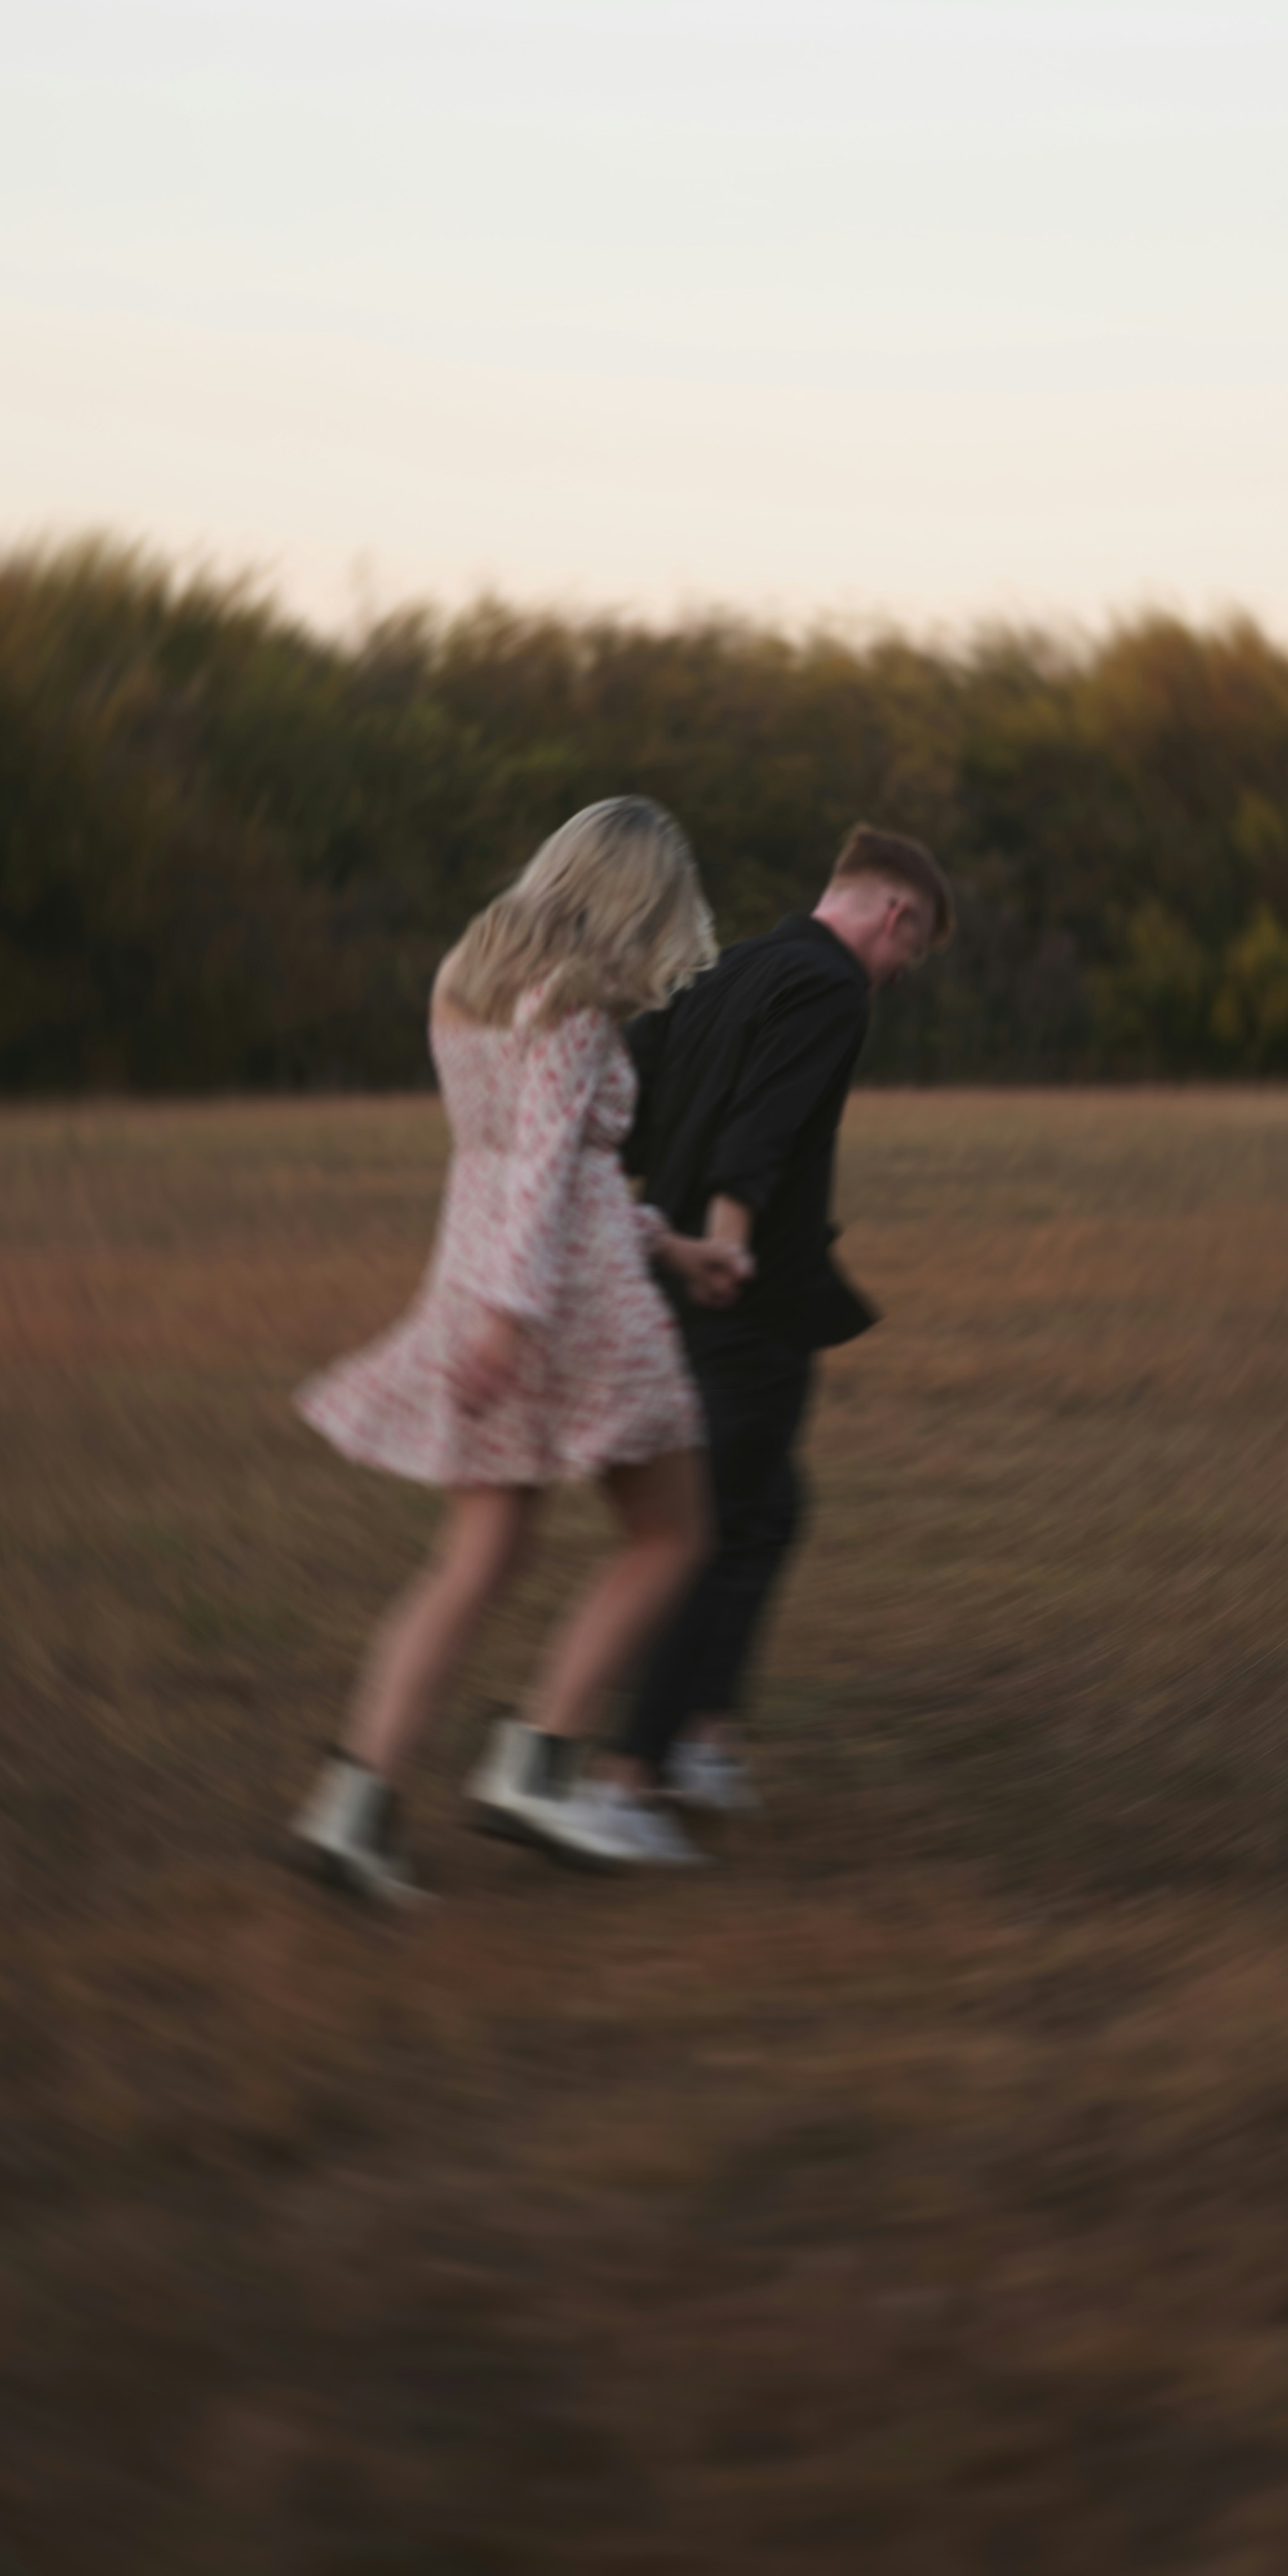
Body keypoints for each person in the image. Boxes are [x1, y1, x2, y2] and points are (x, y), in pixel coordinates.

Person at [288, 796, 754, 1906]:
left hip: (484, 1277)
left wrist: (672, 1248)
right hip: (561, 1304)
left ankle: (354, 1810)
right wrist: (516, 1310)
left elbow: (516, 1167)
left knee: (477, 1558)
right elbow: (549, 1171)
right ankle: (535, 1761)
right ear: (635, 897)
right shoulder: (577, 1001)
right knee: (671, 1533)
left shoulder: (470, 978)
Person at [612, 825, 949, 1818]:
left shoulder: (726, 968)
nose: (896, 975)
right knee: (708, 1532)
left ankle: (702, 1734)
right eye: (910, 952)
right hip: (739, 1294)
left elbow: (629, 1100)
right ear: (893, 916)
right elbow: (764, 1124)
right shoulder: (832, 985)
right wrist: (728, 1240)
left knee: (762, 1514)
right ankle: (632, 1771)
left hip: (669, 1283)